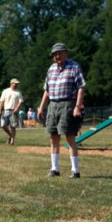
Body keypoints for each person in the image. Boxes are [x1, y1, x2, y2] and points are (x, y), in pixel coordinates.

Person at [37, 43, 86, 179]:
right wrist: (41, 107)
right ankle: (54, 169)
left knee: (69, 137)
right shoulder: (51, 69)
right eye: (54, 54)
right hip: (53, 105)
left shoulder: (74, 67)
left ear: (66, 53)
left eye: (59, 53)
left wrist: (77, 106)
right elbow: (47, 90)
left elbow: (81, 87)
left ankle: (75, 171)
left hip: (68, 104)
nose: (57, 56)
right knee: (53, 138)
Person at [0, 78, 24, 145]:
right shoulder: (5, 91)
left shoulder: (18, 92)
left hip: (14, 111)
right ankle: (10, 135)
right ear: (11, 83)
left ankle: (12, 140)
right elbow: (1, 101)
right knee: (3, 125)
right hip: (6, 110)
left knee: (13, 126)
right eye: (15, 83)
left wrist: (16, 109)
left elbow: (20, 102)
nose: (16, 85)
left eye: (17, 84)